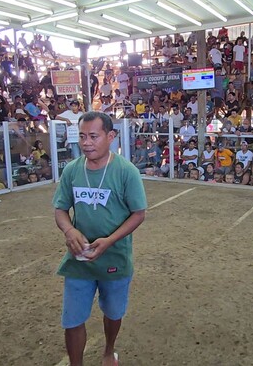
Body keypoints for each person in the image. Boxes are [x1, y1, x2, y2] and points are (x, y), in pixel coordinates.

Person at [53, 112, 147, 366]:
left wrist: (110, 240)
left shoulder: (126, 172)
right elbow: (60, 209)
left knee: (114, 312)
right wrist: (70, 231)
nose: (86, 143)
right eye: (82, 136)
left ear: (111, 137)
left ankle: (108, 350)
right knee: (72, 319)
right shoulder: (72, 170)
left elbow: (138, 214)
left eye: (93, 136)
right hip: (79, 257)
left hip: (115, 257)